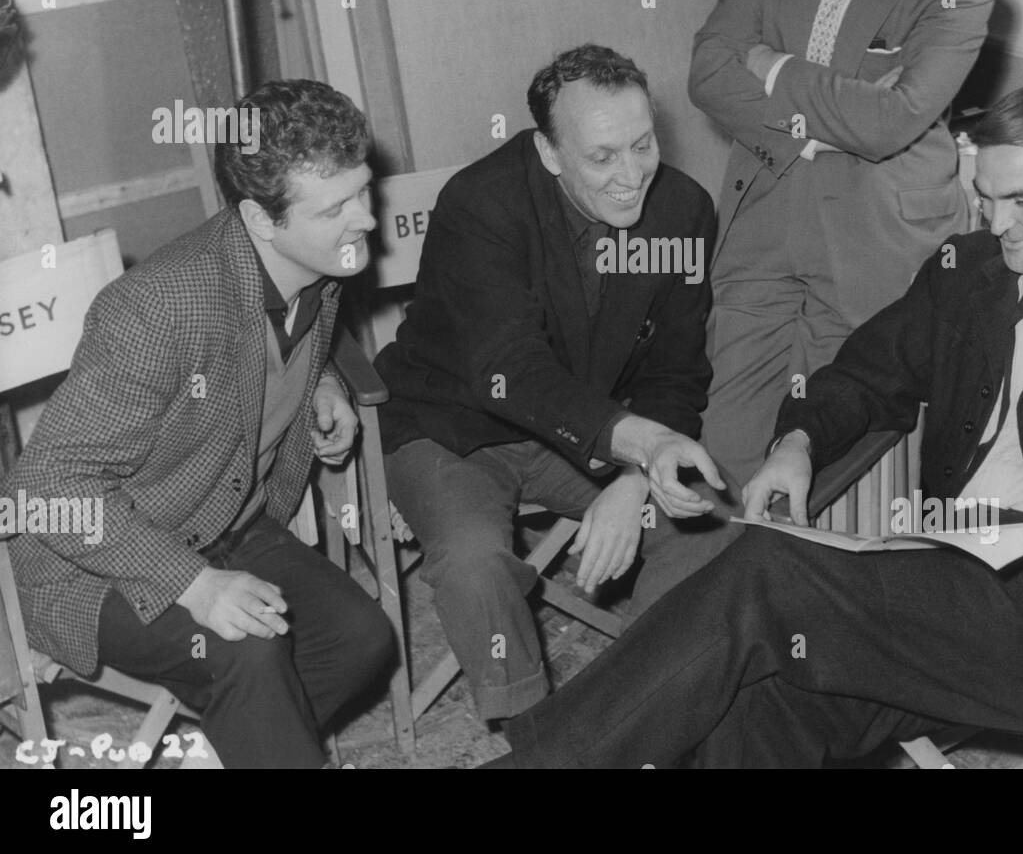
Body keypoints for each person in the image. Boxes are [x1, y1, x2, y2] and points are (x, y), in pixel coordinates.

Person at [496, 84, 1023, 768]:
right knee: (761, 697)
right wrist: (798, 446)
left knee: (772, 570)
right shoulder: (967, 273)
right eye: (985, 197)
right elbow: (865, 376)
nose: (996, 223)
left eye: (1021, 201)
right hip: (938, 583)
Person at [3, 79, 393, 768]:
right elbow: (44, 487)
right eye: (337, 207)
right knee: (248, 650)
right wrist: (195, 585)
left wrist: (318, 382)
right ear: (260, 219)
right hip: (96, 563)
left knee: (362, 637)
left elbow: (279, 339)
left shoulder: (320, 260)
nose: (365, 219)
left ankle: (231, 749)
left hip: (224, 516)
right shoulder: (158, 308)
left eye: (364, 191)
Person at [374, 43, 737, 722]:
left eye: (644, 145)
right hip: (451, 427)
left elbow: (677, 369)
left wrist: (636, 481)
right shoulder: (482, 204)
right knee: (475, 563)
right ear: (548, 151)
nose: (632, 175)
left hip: (582, 430)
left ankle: (659, 707)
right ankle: (533, 735)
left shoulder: (683, 211)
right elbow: (510, 370)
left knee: (716, 531)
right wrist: (637, 444)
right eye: (602, 157)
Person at [691, 0, 999, 484]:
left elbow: (890, 123)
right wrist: (836, 113)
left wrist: (770, 63)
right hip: (762, 227)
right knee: (724, 449)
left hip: (873, 243)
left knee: (828, 464)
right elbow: (706, 73)